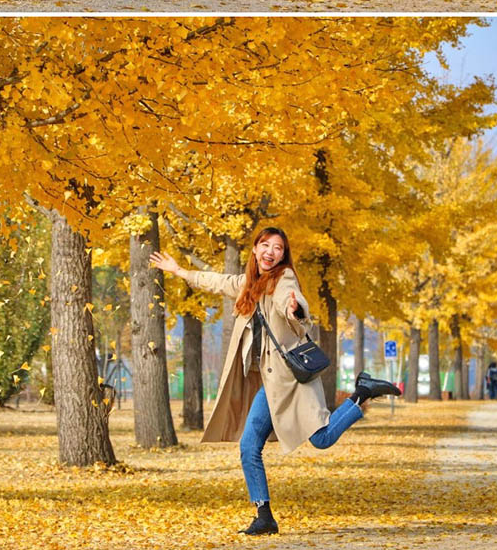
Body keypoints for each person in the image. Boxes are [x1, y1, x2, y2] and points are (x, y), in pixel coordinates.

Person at [150, 227, 401, 537]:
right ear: (255, 250)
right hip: (271, 383)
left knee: (321, 439)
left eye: (278, 248)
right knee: (249, 446)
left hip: (292, 378)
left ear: (284, 255)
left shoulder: (284, 279)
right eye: (265, 245)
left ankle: (362, 393)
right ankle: (264, 515)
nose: (271, 251)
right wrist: (178, 271)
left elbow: (291, 304)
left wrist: (294, 309)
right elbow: (217, 282)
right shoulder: (248, 284)